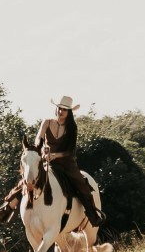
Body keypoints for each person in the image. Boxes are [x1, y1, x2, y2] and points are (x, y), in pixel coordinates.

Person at [33, 95, 105, 228]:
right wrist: (41, 148)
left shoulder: (72, 127)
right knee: (29, 176)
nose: (61, 111)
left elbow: (70, 151)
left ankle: (93, 214)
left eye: (64, 110)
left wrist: (55, 155)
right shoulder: (46, 122)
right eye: (59, 108)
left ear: (69, 112)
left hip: (67, 163)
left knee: (81, 184)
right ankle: (9, 205)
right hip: (48, 162)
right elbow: (39, 138)